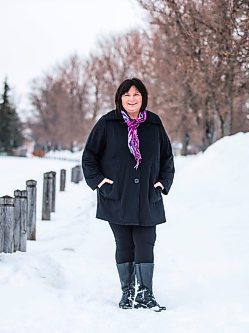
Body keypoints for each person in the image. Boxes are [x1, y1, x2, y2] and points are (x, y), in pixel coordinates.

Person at [82, 78, 175, 312]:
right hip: (117, 196)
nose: (131, 99)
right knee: (124, 244)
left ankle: (145, 293)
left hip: (147, 198)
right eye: (127, 95)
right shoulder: (107, 123)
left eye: (136, 95)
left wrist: (162, 184)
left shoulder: (154, 123)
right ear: (119, 98)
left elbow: (167, 158)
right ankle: (128, 292)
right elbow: (89, 157)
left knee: (145, 243)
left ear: (143, 98)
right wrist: (101, 183)